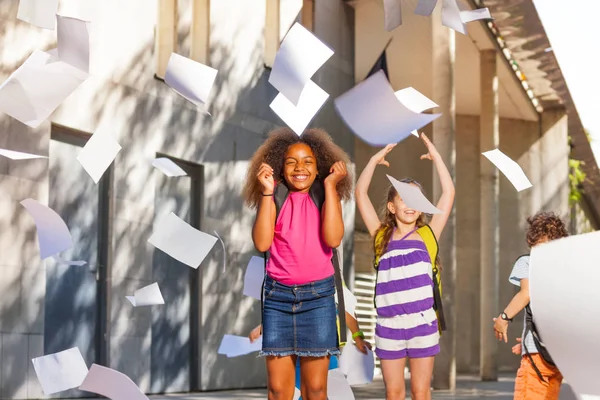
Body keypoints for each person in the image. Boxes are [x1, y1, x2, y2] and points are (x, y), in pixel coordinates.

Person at [242, 127, 353, 400]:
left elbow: (333, 238)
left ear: (319, 168)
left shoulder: (325, 195)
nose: (299, 167)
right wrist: (267, 192)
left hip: (318, 299)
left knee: (315, 390)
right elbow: (262, 243)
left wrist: (330, 186)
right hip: (277, 299)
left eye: (307, 162)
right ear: (281, 167)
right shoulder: (275, 196)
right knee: (279, 392)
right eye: (291, 162)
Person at [355, 133, 455, 400]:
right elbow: (360, 194)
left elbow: (449, 193)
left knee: (421, 392)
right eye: (403, 198)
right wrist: (374, 160)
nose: (410, 205)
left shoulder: (428, 235)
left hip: (423, 324)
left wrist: (437, 157)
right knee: (394, 393)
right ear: (392, 205)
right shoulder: (380, 237)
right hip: (389, 325)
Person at [493, 211, 569, 400]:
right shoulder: (565, 269)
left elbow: (526, 294)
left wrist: (504, 318)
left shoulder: (527, 262)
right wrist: (528, 338)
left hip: (537, 357)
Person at [248, 307, 371, 399]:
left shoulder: (330, 278)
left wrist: (357, 336)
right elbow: (283, 310)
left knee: (327, 393)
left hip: (323, 352)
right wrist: (265, 326)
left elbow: (346, 307)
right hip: (293, 353)